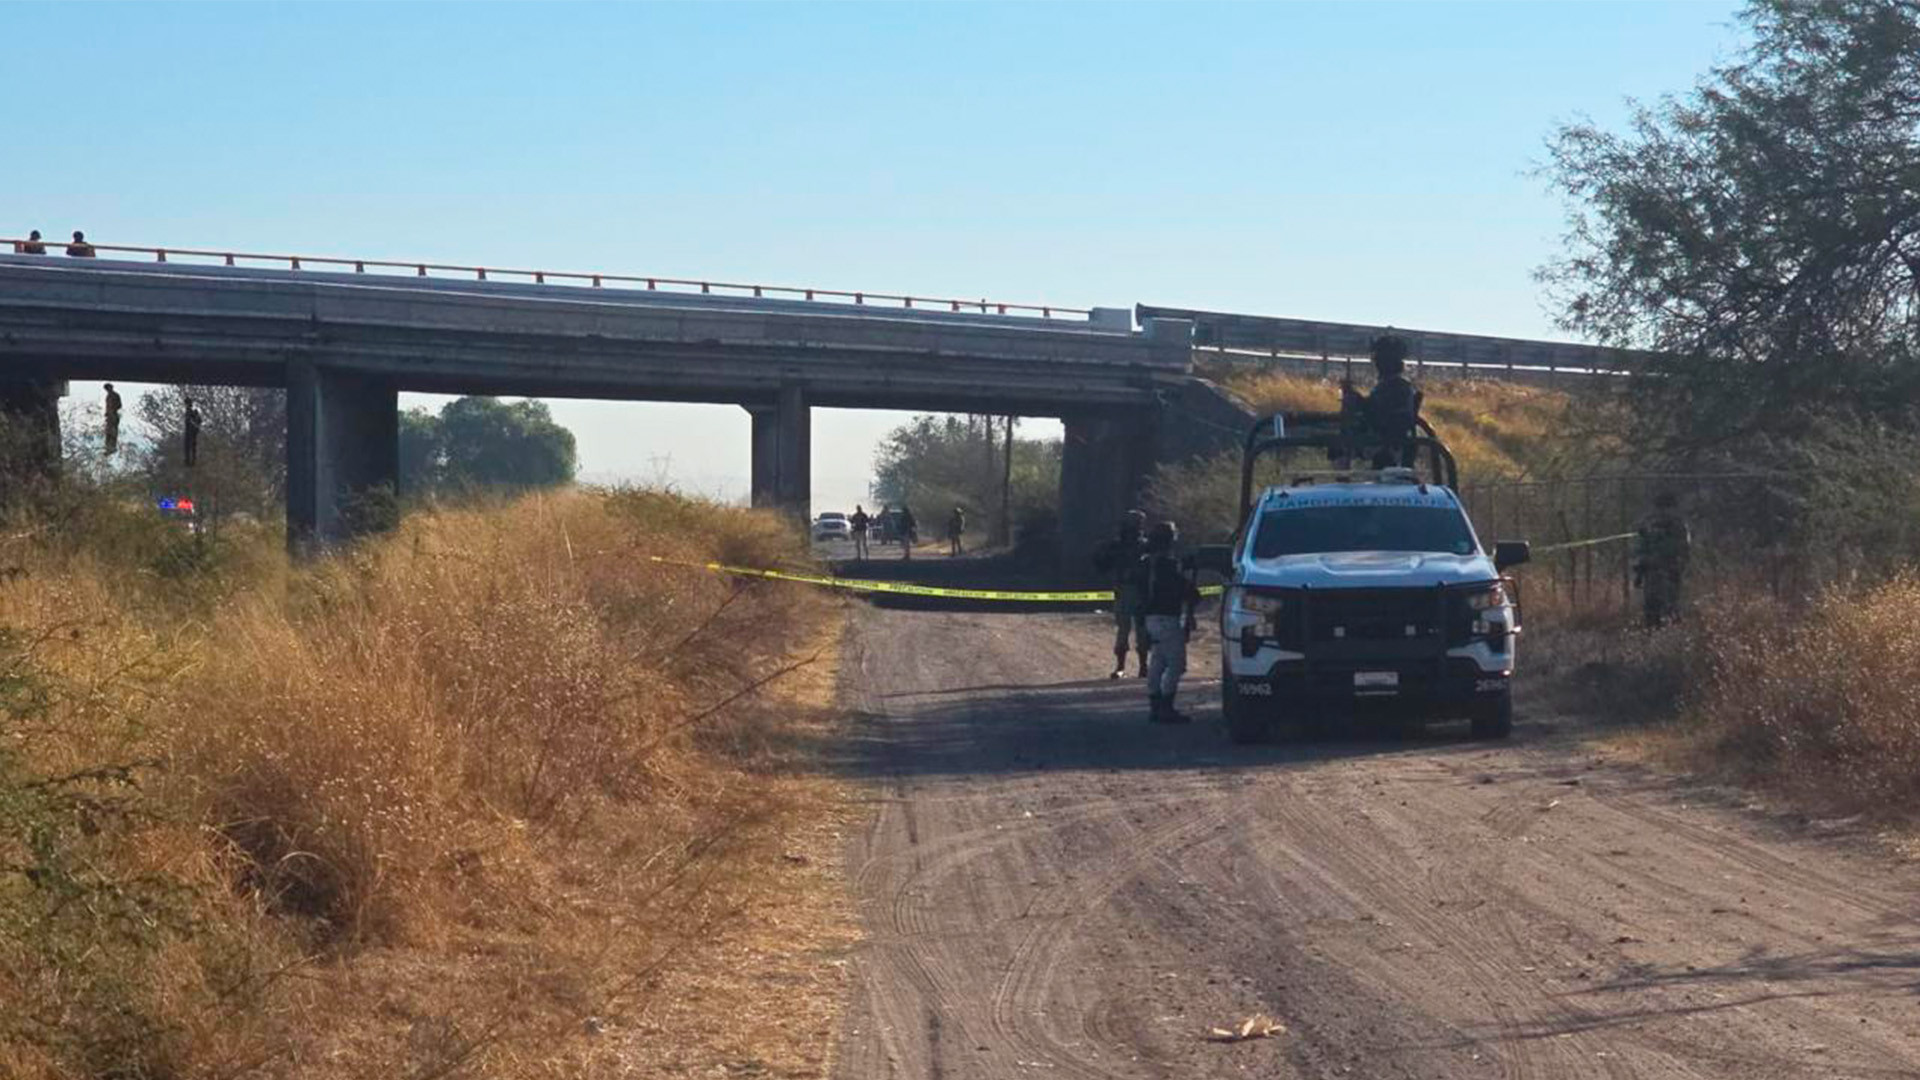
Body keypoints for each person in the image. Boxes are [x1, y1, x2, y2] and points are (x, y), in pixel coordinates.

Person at [1128, 520, 1201, 724]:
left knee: (1158, 662)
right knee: (1176, 665)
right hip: (1167, 619)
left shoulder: (1146, 563)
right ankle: (1166, 706)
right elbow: (1183, 590)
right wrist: (1191, 593)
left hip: (1152, 619)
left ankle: (1156, 704)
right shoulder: (1166, 565)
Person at [1341, 333, 1423, 468]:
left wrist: (1357, 401)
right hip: (1387, 449)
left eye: (1379, 358)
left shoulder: (1398, 387)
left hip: (1388, 450)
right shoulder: (1394, 386)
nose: (1376, 362)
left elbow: (1382, 418)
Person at [1091, 510, 1149, 679]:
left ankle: (1141, 666)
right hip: (1125, 590)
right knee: (1126, 629)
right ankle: (1123, 666)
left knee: (1139, 630)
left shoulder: (1144, 545)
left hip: (1139, 590)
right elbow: (1102, 565)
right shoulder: (1118, 546)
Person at [1634, 491, 1691, 627]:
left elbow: (1683, 548)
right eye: (1660, 508)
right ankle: (1653, 628)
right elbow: (1641, 547)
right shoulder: (1649, 525)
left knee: (1670, 601)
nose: (1663, 512)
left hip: (1670, 568)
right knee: (1651, 602)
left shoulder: (1678, 526)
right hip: (1652, 569)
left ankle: (1670, 627)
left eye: (1665, 508)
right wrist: (1640, 569)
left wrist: (1680, 565)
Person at [183, 396, 202, 468]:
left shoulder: (192, 411)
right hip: (190, 431)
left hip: (191, 431)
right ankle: (189, 461)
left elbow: (196, 421)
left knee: (190, 447)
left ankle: (191, 462)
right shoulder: (189, 411)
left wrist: (194, 425)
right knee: (189, 447)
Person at [103, 383, 122, 455]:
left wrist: (113, 410)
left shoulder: (115, 395)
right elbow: (107, 406)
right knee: (108, 432)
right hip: (109, 416)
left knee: (113, 431)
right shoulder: (108, 396)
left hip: (113, 415)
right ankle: (108, 447)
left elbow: (119, 405)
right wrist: (107, 413)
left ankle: (112, 447)